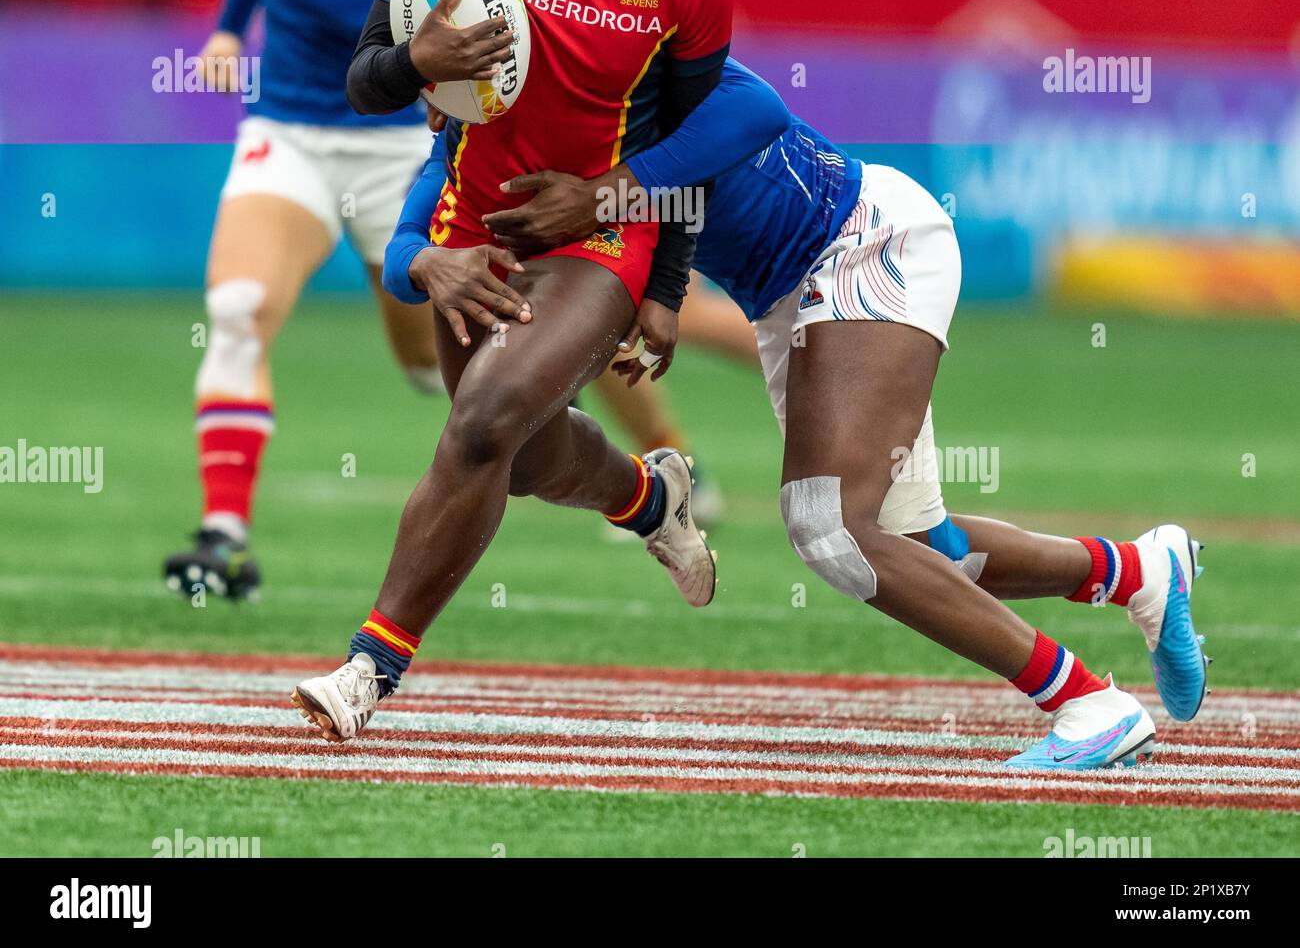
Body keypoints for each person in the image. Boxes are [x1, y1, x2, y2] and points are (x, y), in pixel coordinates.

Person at [383, 60, 1209, 768]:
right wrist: (646, 291)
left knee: (833, 529)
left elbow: (744, 116)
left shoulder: (619, 67)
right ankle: (1137, 572)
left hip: (858, 243)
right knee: (923, 553)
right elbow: (433, 232)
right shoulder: (507, 131)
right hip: (787, 294)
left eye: (449, 83)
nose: (436, 107)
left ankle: (1089, 704)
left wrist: (632, 250)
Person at [291, 0, 786, 742]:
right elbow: (364, 79)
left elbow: (693, 139)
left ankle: (368, 668)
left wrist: (661, 288)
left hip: (603, 234)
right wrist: (417, 61)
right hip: (478, 224)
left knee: (478, 424)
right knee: (506, 453)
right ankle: (650, 499)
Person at [163, 0, 504, 602]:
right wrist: (233, 20)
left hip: (394, 140)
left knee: (430, 365)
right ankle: (221, 538)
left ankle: (580, 478)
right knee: (236, 313)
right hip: (291, 131)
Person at [402, 0, 757, 525]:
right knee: (543, 382)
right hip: (507, 193)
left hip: (622, 189)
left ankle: (822, 365)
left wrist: (649, 252)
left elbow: (722, 107)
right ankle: (666, 480)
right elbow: (394, 69)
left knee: (681, 316)